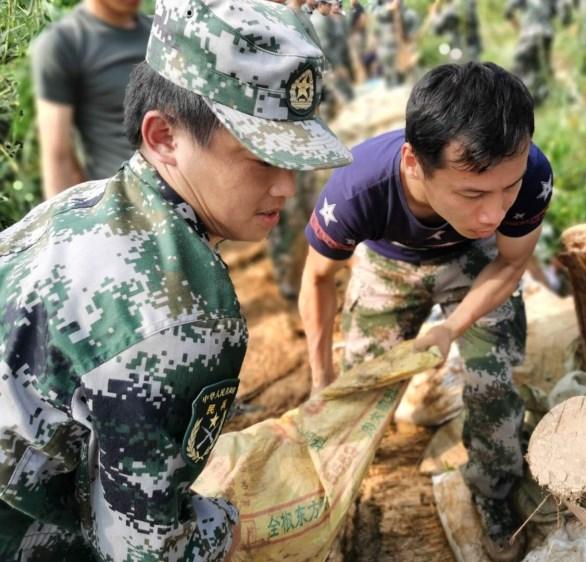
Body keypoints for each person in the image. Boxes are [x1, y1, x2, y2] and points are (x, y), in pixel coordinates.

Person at [0, 0, 351, 560]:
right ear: (163, 136)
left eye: (295, 158)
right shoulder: (186, 318)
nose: (287, 188)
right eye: (260, 158)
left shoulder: (79, 207)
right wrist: (227, 527)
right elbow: (142, 550)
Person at [299, 62, 553, 561]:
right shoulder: (358, 188)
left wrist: (452, 329)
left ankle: (492, 490)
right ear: (415, 162)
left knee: (494, 378)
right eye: (473, 193)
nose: (493, 213)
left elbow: (510, 260)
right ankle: (338, 494)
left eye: (508, 189)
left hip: (475, 264)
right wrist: (319, 374)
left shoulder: (531, 174)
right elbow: (319, 277)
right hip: (389, 264)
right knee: (361, 387)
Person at [31, 0, 151, 200]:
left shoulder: (159, 32)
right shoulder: (64, 43)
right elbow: (58, 158)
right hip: (123, 208)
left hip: (190, 204)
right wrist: (67, 222)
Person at [504, 0, 569, 105]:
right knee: (541, 66)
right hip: (547, 34)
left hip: (529, 34)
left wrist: (518, 26)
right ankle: (540, 96)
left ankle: (518, 99)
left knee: (520, 66)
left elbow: (508, 11)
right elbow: (564, 13)